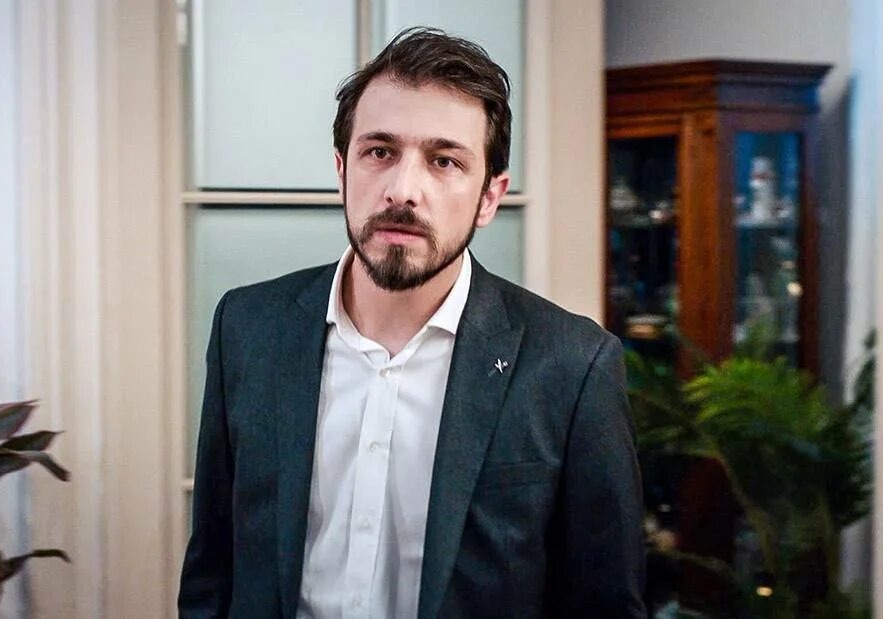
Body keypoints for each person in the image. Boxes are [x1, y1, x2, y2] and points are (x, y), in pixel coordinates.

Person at [179, 27, 646, 618]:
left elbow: (604, 604)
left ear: (489, 197)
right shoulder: (247, 327)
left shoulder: (573, 365)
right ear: (342, 170)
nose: (403, 191)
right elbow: (213, 569)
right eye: (379, 152)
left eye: (444, 161)